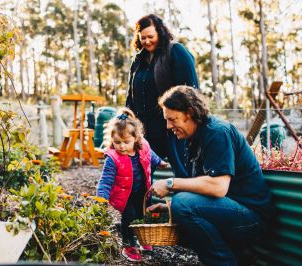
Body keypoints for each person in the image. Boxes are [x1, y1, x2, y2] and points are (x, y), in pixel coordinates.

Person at [148, 86, 272, 266]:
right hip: (231, 211)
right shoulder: (193, 138)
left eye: (172, 119)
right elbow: (202, 191)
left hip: (251, 218)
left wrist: (170, 183)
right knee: (178, 207)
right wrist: (168, 206)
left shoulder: (217, 133)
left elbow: (218, 187)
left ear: (189, 112)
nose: (168, 126)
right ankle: (240, 255)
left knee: (182, 203)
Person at [126, 14, 199, 178]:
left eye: (151, 36)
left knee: (183, 173)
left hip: (172, 129)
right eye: (142, 38)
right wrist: (127, 118)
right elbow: (131, 96)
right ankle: (144, 204)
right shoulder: (138, 61)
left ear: (160, 32)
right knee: (140, 175)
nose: (147, 41)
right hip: (145, 131)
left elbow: (191, 92)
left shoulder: (176, 52)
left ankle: (185, 203)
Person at [96, 108, 168, 262]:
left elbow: (151, 155)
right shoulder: (112, 158)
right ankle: (128, 245)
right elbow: (105, 180)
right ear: (112, 140)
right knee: (130, 217)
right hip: (124, 195)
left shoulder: (143, 146)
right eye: (117, 142)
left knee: (144, 214)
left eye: (126, 142)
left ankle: (144, 239)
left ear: (136, 138)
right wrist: (101, 199)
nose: (121, 146)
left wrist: (160, 162)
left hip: (143, 190)